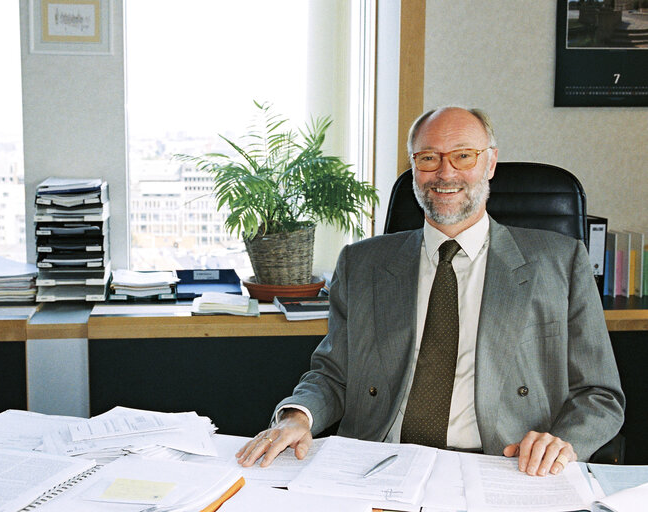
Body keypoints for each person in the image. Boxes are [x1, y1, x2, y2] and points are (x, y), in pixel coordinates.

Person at [236, 106, 625, 477]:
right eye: (428, 159)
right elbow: (335, 374)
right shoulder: (363, 263)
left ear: (490, 163)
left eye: (463, 156)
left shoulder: (560, 261)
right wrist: (297, 416)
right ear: (413, 168)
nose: (445, 173)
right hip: (380, 463)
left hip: (505, 465)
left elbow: (600, 394)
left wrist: (563, 442)